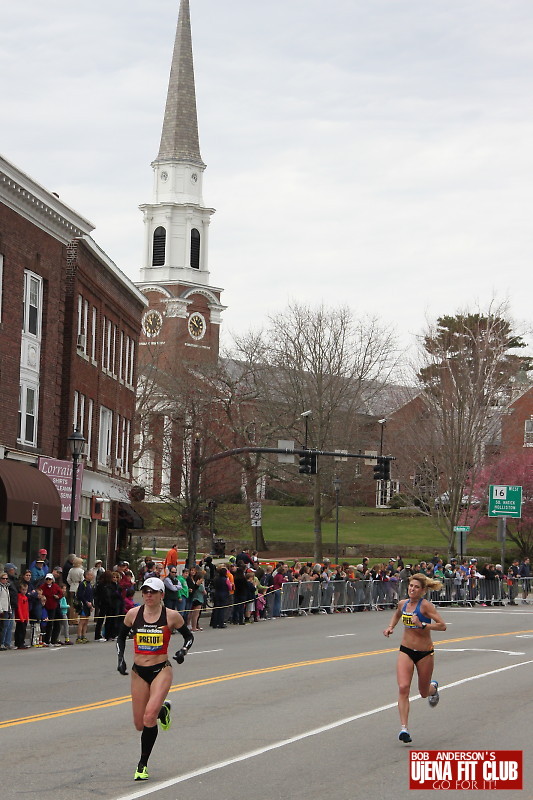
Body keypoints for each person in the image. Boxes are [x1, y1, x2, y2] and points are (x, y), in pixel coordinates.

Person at [115, 576, 194, 781]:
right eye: (145, 591)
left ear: (162, 595)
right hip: (138, 671)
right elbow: (121, 637)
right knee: (140, 724)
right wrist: (120, 660)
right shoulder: (133, 614)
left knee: (149, 718)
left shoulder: (171, 616)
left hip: (161, 669)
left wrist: (182, 651)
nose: (148, 595)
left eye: (153, 592)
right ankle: (163, 709)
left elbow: (189, 636)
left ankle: (142, 765)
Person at [383, 572, 447, 744]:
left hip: (424, 653)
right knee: (403, 687)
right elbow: (397, 614)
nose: (412, 589)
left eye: (416, 587)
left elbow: (443, 626)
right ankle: (404, 728)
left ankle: (433, 688)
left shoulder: (426, 606)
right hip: (406, 650)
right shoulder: (403, 604)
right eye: (411, 586)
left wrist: (423, 624)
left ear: (423, 590)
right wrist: (390, 627)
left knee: (423, 693)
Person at [76, 570, 94, 643]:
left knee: (86, 621)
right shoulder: (83, 584)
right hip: (83, 605)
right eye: (90, 575)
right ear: (86, 575)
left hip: (88, 605)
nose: (92, 576)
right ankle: (79, 637)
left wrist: (91, 605)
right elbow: (80, 595)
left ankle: (84, 636)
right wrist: (86, 602)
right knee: (82, 621)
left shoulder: (90, 584)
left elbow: (91, 596)